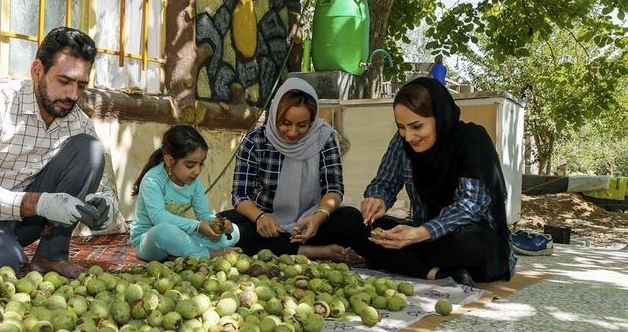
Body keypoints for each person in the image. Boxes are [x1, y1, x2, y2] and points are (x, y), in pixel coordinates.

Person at [0, 27, 118, 279]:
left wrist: (104, 206)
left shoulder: (79, 122)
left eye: (81, 85)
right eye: (64, 81)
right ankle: (5, 251)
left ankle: (51, 256)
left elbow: (103, 189)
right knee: (3, 267)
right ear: (37, 71)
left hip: (28, 222)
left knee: (90, 149)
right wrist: (42, 203)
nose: (72, 95)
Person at [351, 77, 515, 286]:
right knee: (348, 220)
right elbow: (385, 183)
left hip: (463, 237)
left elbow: (471, 205)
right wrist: (378, 199)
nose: (408, 136)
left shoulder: (472, 139)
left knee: (471, 245)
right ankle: (436, 273)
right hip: (419, 235)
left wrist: (422, 233)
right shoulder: (402, 142)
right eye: (401, 127)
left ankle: (400, 261)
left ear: (439, 116)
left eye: (416, 126)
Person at [221, 73, 364, 263]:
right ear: (275, 116)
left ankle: (289, 247)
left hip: (311, 223)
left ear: (312, 121)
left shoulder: (324, 138)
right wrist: (260, 218)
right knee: (225, 226)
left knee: (351, 218)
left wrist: (318, 217)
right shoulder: (255, 141)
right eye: (285, 123)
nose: (293, 132)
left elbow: (334, 190)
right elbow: (240, 195)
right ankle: (312, 252)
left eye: (302, 125)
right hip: (266, 224)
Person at [129, 125, 241, 261]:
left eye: (201, 164)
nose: (197, 171)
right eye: (190, 165)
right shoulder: (152, 180)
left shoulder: (195, 184)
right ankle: (208, 255)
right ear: (169, 161)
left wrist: (219, 225)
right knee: (164, 231)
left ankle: (181, 253)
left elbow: (204, 215)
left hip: (179, 235)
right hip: (150, 240)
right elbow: (158, 218)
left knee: (234, 232)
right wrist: (197, 226)